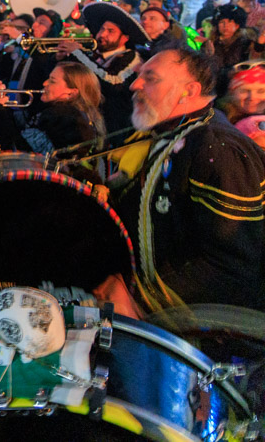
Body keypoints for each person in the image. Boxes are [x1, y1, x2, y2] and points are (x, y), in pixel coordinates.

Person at [104, 49, 264, 314]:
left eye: (150, 78)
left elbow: (231, 265)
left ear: (189, 90)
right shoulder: (177, 130)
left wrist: (140, 301)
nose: (134, 84)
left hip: (196, 331)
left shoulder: (218, 148)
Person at [59, 2, 147, 136]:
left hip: (116, 132)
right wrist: (60, 59)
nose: (102, 34)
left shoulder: (131, 56)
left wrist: (78, 54)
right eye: (101, 29)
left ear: (125, 38)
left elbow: (113, 82)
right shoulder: (93, 55)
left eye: (110, 31)